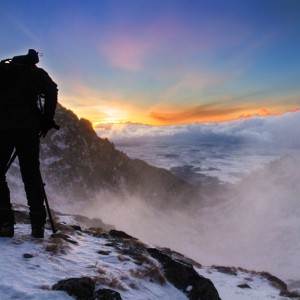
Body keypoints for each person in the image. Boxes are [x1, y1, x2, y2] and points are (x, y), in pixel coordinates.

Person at [0, 49, 58, 238]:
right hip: (29, 129)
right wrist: (46, 120)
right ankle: (37, 227)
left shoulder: (3, 71)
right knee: (31, 175)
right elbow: (52, 90)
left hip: (3, 129)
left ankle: (5, 223)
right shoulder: (35, 74)